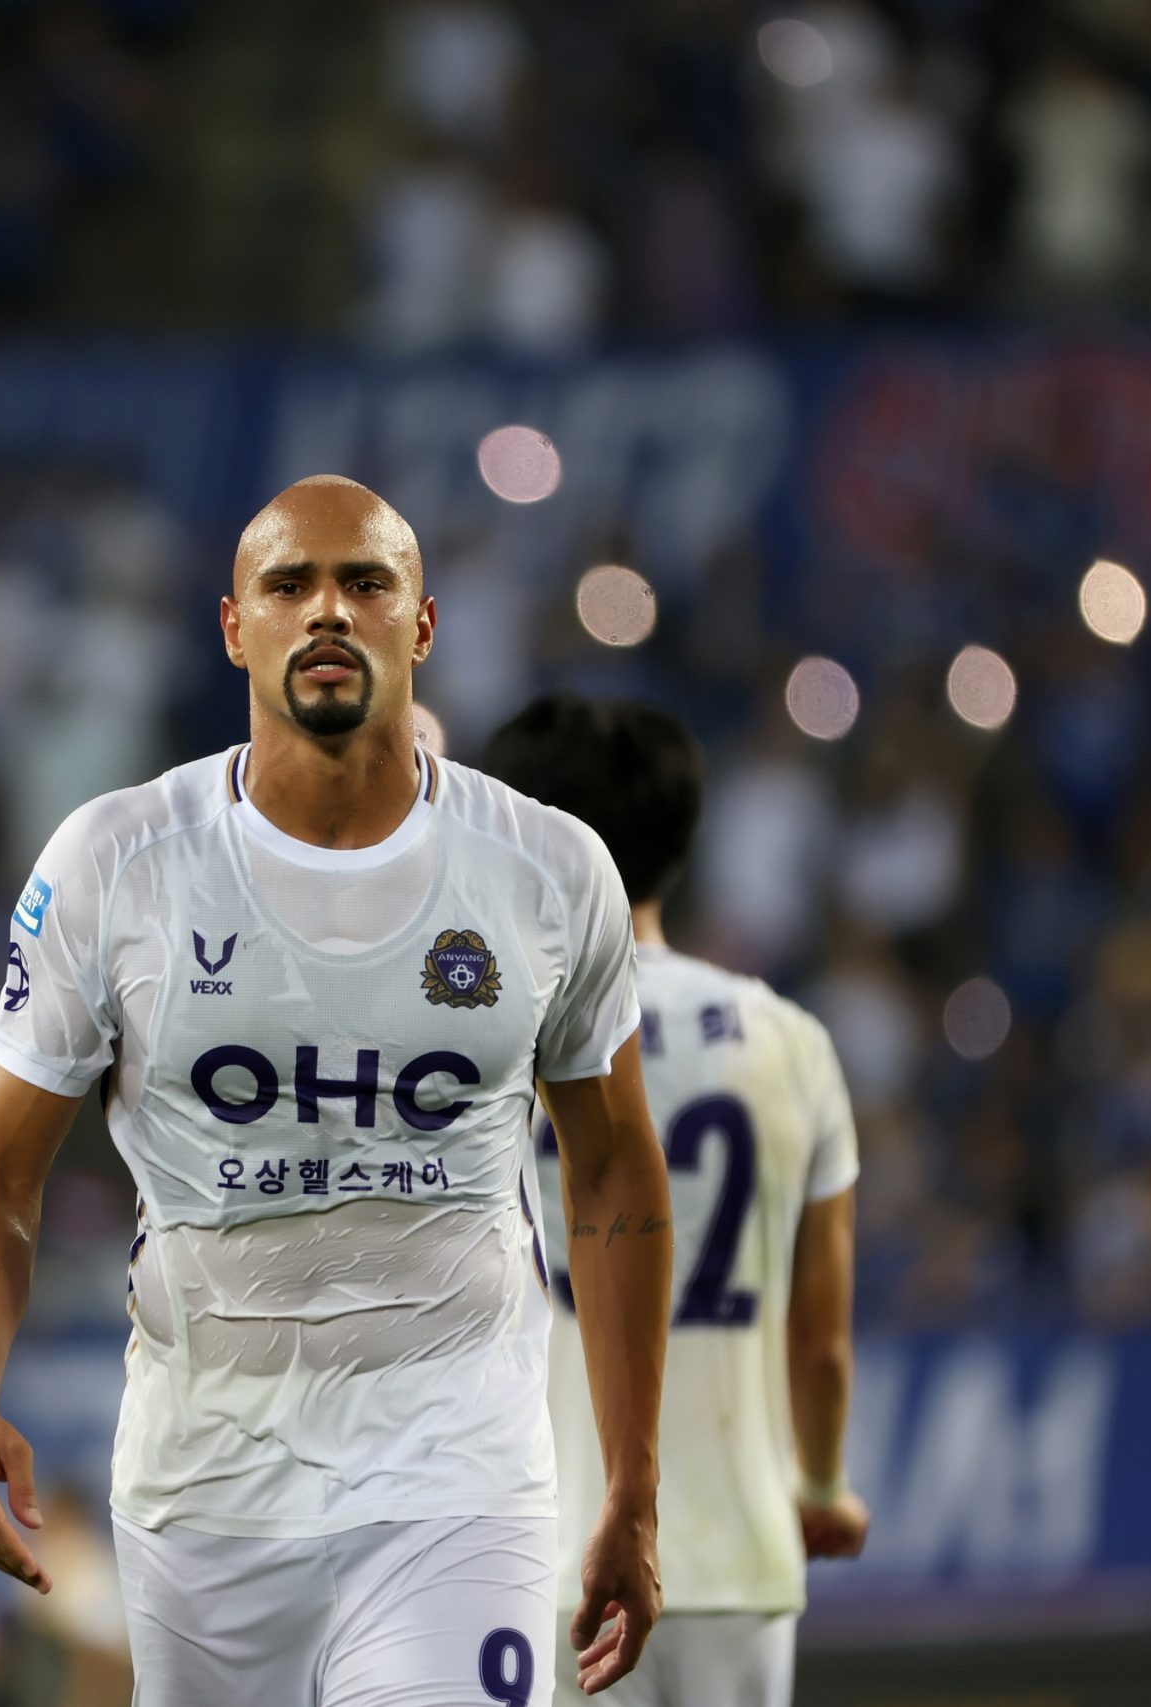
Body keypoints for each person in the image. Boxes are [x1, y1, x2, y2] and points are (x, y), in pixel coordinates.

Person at [0, 477, 675, 1704]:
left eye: (364, 583)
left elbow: (611, 1170)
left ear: (421, 625)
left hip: (458, 1482)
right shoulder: (116, 865)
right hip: (204, 1502)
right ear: (235, 629)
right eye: (289, 586)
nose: (327, 611)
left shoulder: (547, 870)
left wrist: (633, 1486)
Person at [481, 695, 867, 1707]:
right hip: (738, 1551)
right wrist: (819, 1489)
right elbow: (820, 1337)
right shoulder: (789, 1039)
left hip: (551, 1551)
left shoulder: (489, 1039)